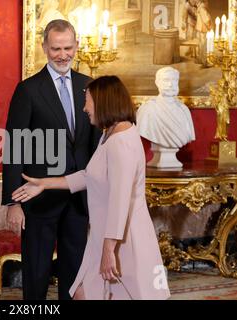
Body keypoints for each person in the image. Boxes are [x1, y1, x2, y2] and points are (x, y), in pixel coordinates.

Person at [12, 75, 171, 300]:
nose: (84, 108)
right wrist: (45, 184)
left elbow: (120, 200)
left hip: (122, 240)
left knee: (93, 294)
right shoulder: (110, 134)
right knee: (81, 293)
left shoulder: (121, 142)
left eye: (88, 101)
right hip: (103, 235)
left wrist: (108, 251)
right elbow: (89, 176)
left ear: (103, 101)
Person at [2, 19, 101, 300]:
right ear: (45, 47)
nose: (63, 55)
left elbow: (94, 146)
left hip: (78, 198)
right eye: (56, 48)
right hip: (38, 199)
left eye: (68, 48)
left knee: (76, 269)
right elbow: (15, 147)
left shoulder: (89, 85)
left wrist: (97, 193)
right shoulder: (28, 90)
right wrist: (13, 203)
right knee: (37, 271)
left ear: (77, 46)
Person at [136, 67, 195, 167]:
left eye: (174, 80)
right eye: (166, 80)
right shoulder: (147, 109)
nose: (170, 85)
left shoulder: (184, 110)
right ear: (157, 82)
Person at [195, 0, 212, 66]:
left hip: (199, 28)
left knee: (200, 45)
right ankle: (204, 62)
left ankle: (200, 59)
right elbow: (206, 20)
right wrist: (209, 26)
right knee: (203, 45)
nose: (208, 3)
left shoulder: (199, 8)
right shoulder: (202, 8)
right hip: (203, 28)